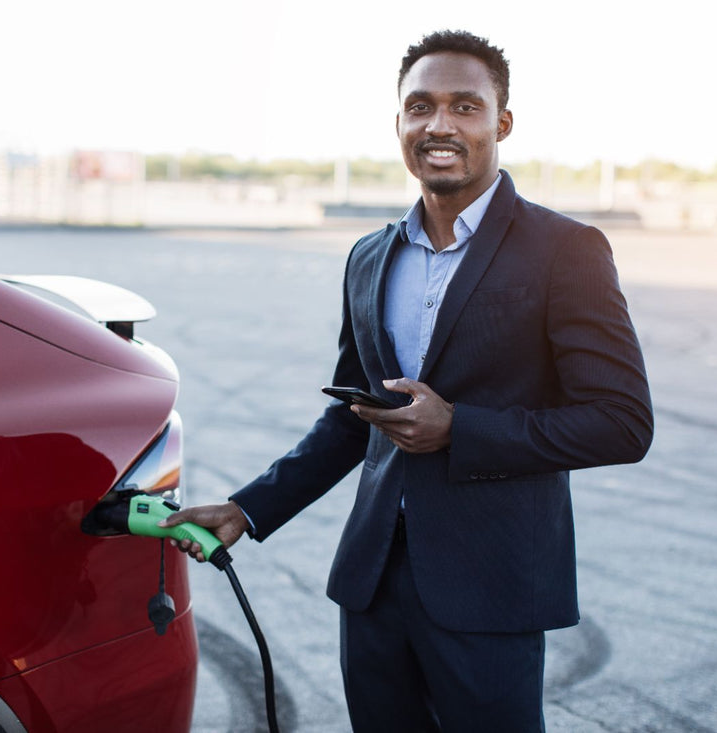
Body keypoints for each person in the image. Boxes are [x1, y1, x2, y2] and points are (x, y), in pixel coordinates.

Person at [162, 29, 653, 732]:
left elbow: (622, 421)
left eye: (464, 106)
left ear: (501, 123)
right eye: (419, 107)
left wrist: (460, 428)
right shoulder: (369, 257)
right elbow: (349, 416)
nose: (439, 125)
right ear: (399, 123)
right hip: (372, 584)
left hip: (491, 588)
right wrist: (248, 508)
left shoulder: (565, 250)